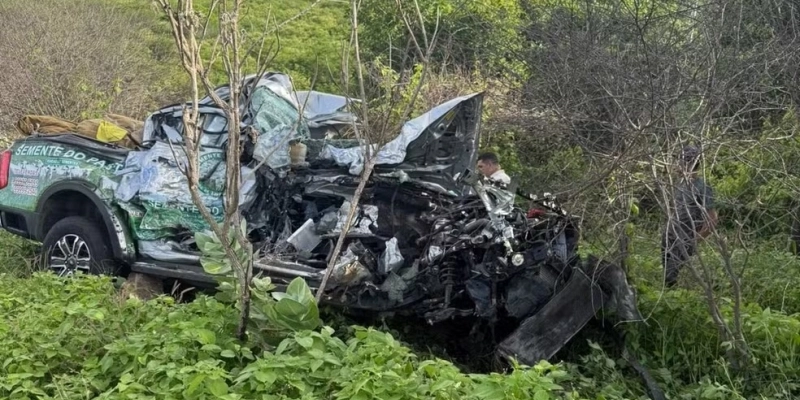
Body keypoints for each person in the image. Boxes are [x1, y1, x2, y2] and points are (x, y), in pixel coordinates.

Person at [662, 145, 718, 287]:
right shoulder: (680, 184)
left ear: (688, 163)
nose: (676, 165)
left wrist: (695, 240)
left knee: (670, 276)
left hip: (685, 238)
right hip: (670, 236)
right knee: (666, 273)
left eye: (679, 162)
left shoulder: (702, 188)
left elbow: (712, 219)